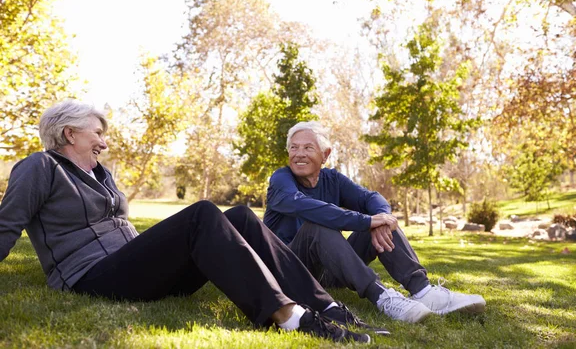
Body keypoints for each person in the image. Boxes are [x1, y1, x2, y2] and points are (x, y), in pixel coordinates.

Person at [0, 101, 374, 344]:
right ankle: (288, 316)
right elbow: (7, 224)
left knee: (242, 216)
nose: (103, 142)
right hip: (92, 276)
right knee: (201, 213)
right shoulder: (39, 167)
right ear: (69, 134)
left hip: (137, 268)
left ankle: (324, 307)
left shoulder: (100, 173)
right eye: (96, 133)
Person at [264, 121, 486, 324]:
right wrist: (366, 220)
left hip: (330, 271)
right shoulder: (281, 180)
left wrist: (382, 219)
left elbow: (370, 198)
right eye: (293, 148)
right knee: (317, 226)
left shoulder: (332, 179)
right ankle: (382, 297)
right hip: (289, 270)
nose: (298, 154)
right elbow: (305, 207)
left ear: (325, 154)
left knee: (382, 222)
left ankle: (424, 291)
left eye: (307, 148)